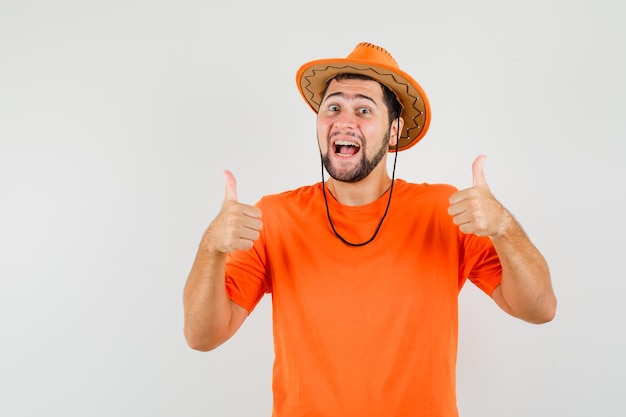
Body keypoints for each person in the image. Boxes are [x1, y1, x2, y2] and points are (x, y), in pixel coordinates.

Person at [183, 42, 557, 417]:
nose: (345, 121)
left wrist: (504, 228)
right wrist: (211, 248)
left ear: (393, 132)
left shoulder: (445, 212)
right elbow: (202, 336)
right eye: (333, 107)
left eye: (364, 109)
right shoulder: (275, 216)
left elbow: (540, 308)